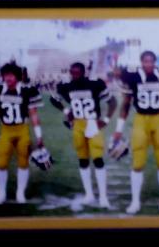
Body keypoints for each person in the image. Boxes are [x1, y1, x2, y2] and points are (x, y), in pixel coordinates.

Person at [111, 50, 159, 214]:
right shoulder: (132, 77)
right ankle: (135, 202)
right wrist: (118, 129)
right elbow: (126, 103)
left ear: (155, 62)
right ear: (141, 62)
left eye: (151, 61)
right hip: (140, 119)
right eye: (145, 61)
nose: (148, 64)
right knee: (138, 163)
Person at [51, 61, 115, 208]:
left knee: (98, 159)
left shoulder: (95, 83)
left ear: (84, 72)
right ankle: (89, 194)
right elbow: (53, 100)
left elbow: (112, 102)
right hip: (78, 125)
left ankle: (103, 196)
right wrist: (66, 111)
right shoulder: (66, 86)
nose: (75, 75)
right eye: (72, 73)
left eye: (77, 72)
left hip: (92, 122)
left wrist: (105, 120)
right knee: (83, 160)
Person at [0, 61, 48, 205]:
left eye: (11, 75)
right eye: (6, 75)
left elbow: (33, 115)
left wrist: (39, 136)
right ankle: (1, 193)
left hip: (22, 130)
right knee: (1, 162)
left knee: (23, 162)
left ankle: (20, 193)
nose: (8, 78)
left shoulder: (27, 91)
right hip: (6, 130)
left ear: (18, 77)